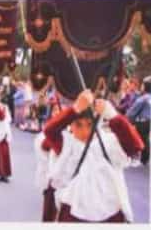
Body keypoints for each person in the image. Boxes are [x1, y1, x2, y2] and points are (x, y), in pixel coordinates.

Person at [43, 89, 143, 223]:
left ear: (98, 123)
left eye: (90, 124)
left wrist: (113, 116)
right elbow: (49, 131)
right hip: (73, 208)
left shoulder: (110, 142)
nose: (85, 131)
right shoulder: (67, 143)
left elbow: (135, 146)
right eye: (78, 125)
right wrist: (75, 109)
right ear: (71, 125)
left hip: (110, 209)